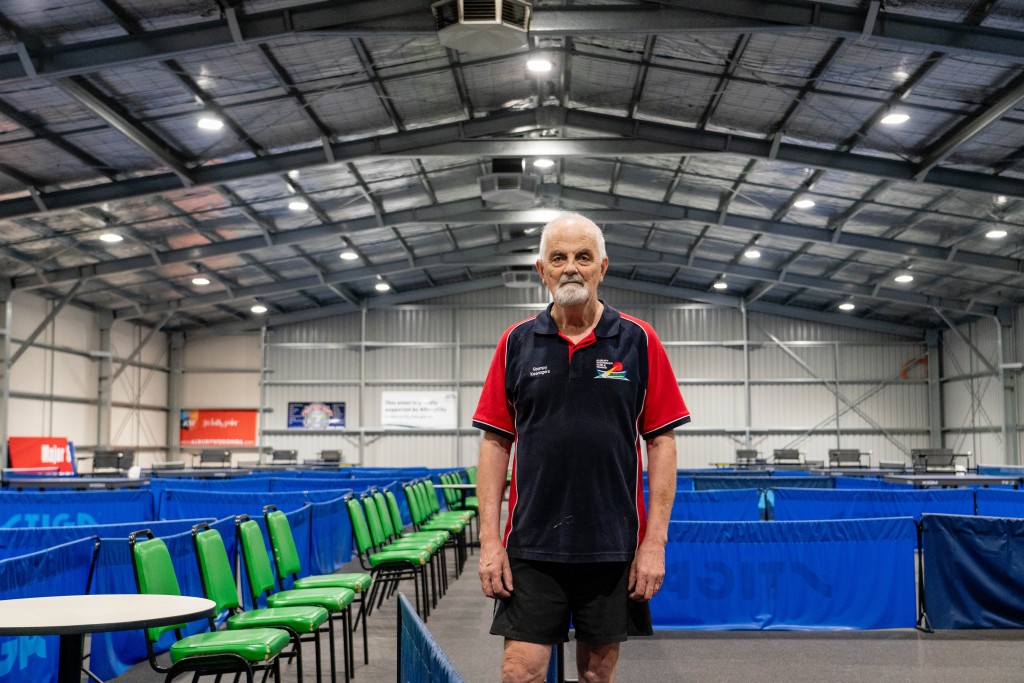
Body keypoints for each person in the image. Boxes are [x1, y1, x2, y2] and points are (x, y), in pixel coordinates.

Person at [472, 212, 690, 683]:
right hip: (532, 545)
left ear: (602, 267)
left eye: (583, 257)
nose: (571, 267)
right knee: (520, 672)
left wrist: (654, 542)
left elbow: (662, 441)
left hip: (611, 545)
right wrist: (490, 542)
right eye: (559, 258)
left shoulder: (638, 340)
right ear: (542, 270)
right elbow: (495, 443)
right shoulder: (516, 343)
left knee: (596, 676)